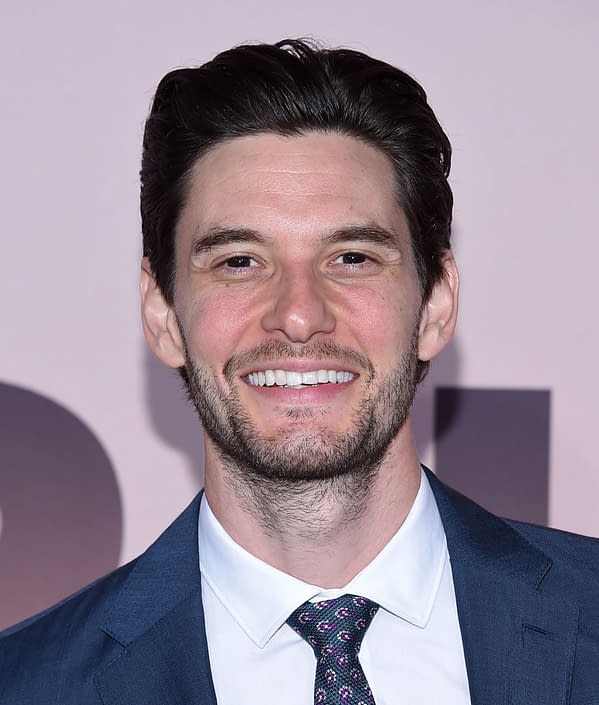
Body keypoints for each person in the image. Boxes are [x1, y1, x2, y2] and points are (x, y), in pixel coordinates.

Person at [1, 38, 598, 705]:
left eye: (351, 257)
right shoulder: (30, 683)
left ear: (435, 303)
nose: (297, 314)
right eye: (238, 261)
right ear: (163, 313)